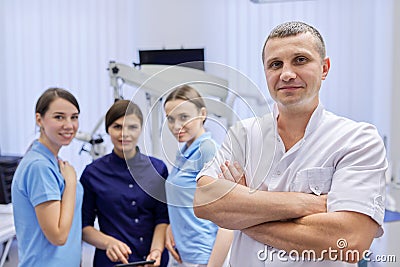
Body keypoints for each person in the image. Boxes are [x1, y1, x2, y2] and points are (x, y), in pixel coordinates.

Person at [193, 21, 388, 267]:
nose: (286, 74)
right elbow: (204, 201)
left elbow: (349, 241)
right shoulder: (243, 135)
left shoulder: (357, 140)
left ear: (324, 68)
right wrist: (306, 203)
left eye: (300, 60)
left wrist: (242, 211)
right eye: (275, 64)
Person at [80, 99, 169, 267]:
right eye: (117, 127)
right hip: (112, 262)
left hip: (151, 261)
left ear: (141, 129)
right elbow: (84, 228)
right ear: (108, 129)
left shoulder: (158, 169)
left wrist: (156, 251)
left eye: (132, 127)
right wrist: (108, 243)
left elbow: (162, 218)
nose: (124, 134)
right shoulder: (92, 173)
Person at [11, 87, 83, 267]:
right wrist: (71, 184)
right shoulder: (39, 167)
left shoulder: (52, 161)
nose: (69, 125)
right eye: (59, 117)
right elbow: (58, 236)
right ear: (39, 119)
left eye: (74, 117)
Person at [163, 85, 233, 267]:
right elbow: (186, 200)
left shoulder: (207, 150)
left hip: (202, 258)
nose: (176, 126)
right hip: (181, 256)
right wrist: (173, 227)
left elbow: (228, 220)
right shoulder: (185, 151)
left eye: (184, 117)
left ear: (202, 114)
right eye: (170, 119)